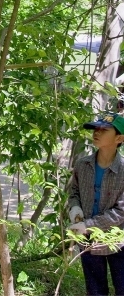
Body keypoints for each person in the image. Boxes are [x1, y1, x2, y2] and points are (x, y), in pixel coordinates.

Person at [67, 112, 124, 296]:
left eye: (104, 130)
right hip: (88, 240)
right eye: (95, 129)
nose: (96, 133)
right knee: (95, 290)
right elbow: (74, 191)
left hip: (119, 240)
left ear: (119, 138)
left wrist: (88, 225)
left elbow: (121, 212)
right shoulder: (83, 165)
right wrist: (75, 212)